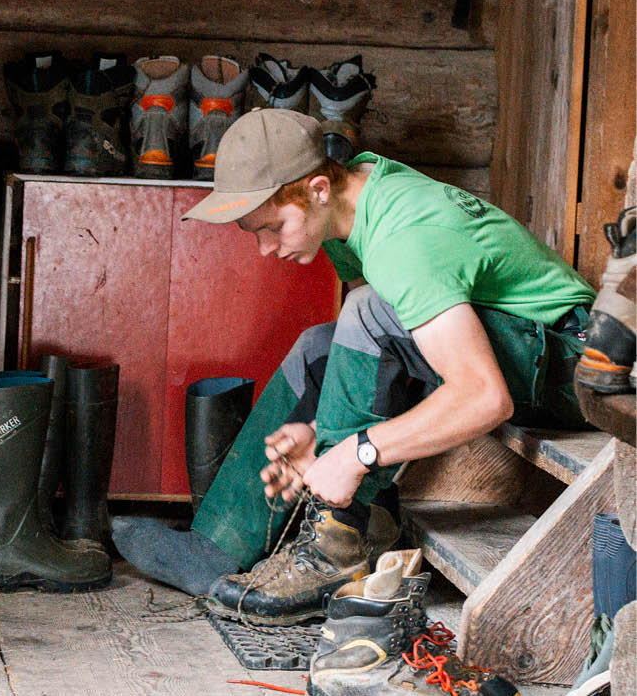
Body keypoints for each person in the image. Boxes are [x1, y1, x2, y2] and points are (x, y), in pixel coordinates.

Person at [112, 108, 595, 624]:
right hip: (520, 353)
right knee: (318, 346)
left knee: (365, 311)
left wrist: (354, 454)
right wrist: (322, 431)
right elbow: (394, 363)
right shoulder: (353, 205)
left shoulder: (402, 239)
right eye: (254, 233)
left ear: (319, 188)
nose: (265, 249)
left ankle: (339, 542)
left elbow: (483, 397)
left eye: (273, 227)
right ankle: (219, 546)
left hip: (574, 371)